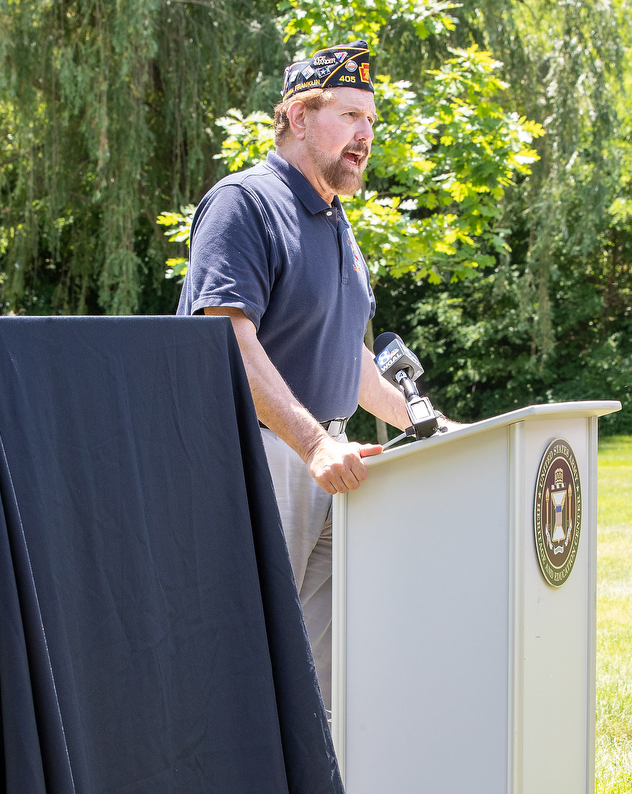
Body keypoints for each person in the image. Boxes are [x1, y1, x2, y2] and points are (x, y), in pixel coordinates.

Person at [176, 40, 455, 711]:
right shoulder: (244, 203)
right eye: (351, 116)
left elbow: (348, 356)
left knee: (321, 685)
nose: (366, 137)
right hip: (255, 461)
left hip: (336, 467)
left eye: (372, 123)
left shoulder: (338, 224)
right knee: (240, 670)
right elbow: (226, 340)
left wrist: (431, 427)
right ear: (300, 117)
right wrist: (313, 444)